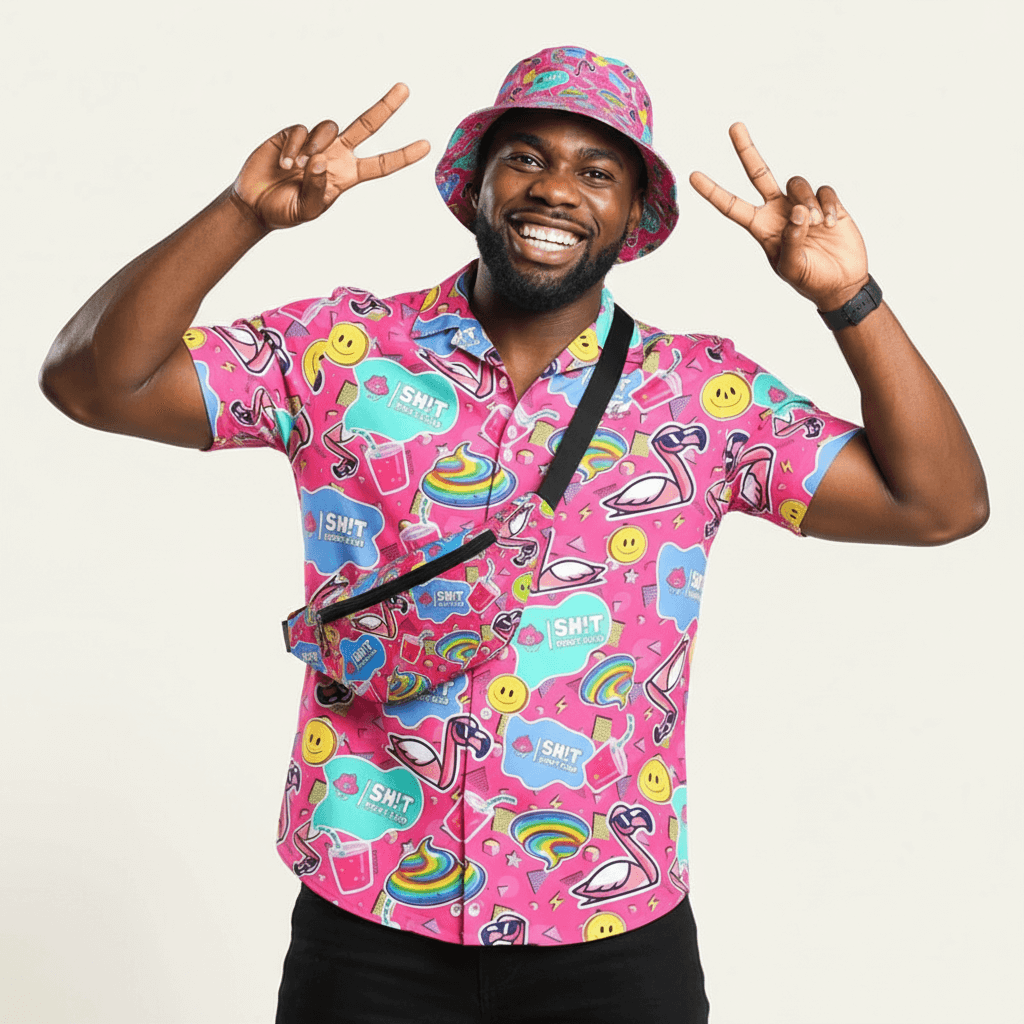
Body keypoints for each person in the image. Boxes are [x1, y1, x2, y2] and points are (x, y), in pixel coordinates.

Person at [40, 44, 987, 1024]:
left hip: (610, 931)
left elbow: (941, 505)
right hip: (370, 921)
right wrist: (242, 214)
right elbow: (91, 382)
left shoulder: (702, 398)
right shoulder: (342, 351)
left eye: (596, 171)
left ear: (633, 215)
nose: (555, 189)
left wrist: (847, 299)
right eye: (526, 157)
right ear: (477, 185)